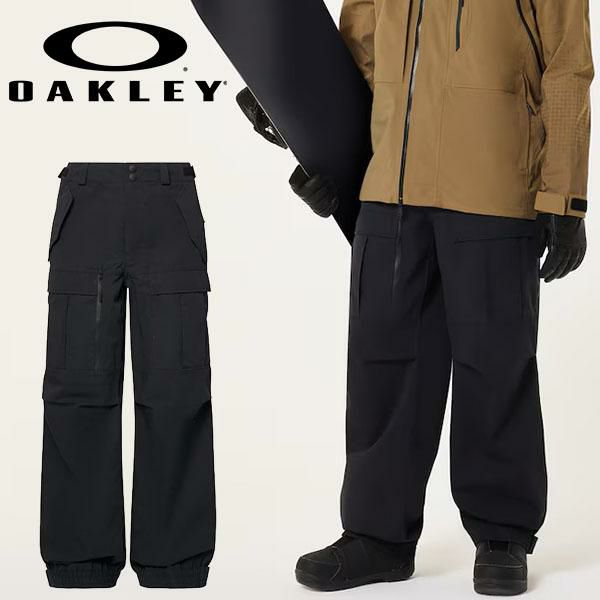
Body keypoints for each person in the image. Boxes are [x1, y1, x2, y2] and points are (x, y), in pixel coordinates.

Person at [241, 0, 593, 595]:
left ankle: (502, 534)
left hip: (494, 184)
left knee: (496, 362)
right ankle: (377, 536)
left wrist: (565, 195)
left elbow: (567, 64)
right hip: (390, 190)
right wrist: (304, 131)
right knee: (382, 364)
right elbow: (357, 60)